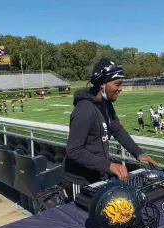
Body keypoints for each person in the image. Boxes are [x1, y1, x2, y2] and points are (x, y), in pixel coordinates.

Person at [62, 58, 158, 201]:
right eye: (117, 84)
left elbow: (118, 130)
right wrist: (109, 165)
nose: (120, 89)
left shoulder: (105, 104)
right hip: (79, 182)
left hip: (97, 176)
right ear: (102, 84)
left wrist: (138, 153)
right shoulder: (85, 110)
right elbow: (73, 150)